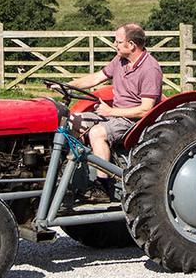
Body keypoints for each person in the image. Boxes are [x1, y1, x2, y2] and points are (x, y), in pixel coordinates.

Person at [67, 23, 163, 183]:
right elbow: (97, 77)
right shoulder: (120, 60)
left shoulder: (150, 70)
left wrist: (110, 111)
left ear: (131, 45)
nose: (114, 45)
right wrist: (69, 85)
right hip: (115, 115)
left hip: (134, 121)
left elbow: (145, 110)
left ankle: (103, 183)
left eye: (118, 41)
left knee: (97, 133)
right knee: (72, 120)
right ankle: (78, 171)